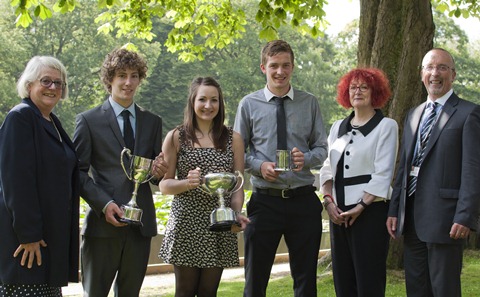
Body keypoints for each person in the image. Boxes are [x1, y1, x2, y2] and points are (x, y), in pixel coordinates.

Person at [234, 39, 327, 297]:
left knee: (306, 281)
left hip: (303, 200)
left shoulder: (309, 103)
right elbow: (238, 153)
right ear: (263, 67)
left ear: (293, 67)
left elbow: (322, 149)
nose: (280, 71)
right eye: (274, 65)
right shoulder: (248, 104)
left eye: (286, 65)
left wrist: (305, 159)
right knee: (255, 281)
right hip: (265, 202)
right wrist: (259, 165)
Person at [73, 48, 167, 297]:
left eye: (134, 75)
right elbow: (78, 174)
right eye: (122, 75)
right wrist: (104, 205)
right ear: (110, 79)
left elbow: (154, 174)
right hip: (102, 228)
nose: (128, 82)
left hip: (140, 226)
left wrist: (159, 171)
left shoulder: (152, 121)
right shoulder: (88, 120)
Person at [386, 48, 480, 297]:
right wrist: (395, 209)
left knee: (444, 290)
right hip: (412, 218)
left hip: (446, 220)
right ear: (421, 74)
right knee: (416, 290)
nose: (435, 73)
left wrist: (465, 216)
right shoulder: (414, 114)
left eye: (442, 68)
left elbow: (473, 169)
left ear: (453, 75)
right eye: (429, 67)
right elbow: (404, 166)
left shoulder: (469, 113)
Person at [159, 76, 249, 297]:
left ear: (220, 103)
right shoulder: (176, 137)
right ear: (192, 102)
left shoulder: (233, 139)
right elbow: (164, 185)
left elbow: (237, 185)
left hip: (219, 225)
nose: (208, 106)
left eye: (214, 100)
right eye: (202, 100)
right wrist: (186, 183)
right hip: (186, 224)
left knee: (209, 292)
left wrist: (236, 215)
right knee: (185, 291)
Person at [0, 56, 79, 296]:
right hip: (27, 243)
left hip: (49, 238)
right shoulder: (20, 118)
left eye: (59, 83)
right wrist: (29, 235)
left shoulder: (52, 121)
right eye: (46, 81)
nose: (53, 88)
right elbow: (16, 182)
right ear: (29, 84)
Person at [319, 68, 398, 296]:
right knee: (343, 281)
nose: (358, 91)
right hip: (338, 214)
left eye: (364, 87)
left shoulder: (386, 126)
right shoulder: (337, 128)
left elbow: (383, 173)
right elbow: (327, 169)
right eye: (353, 87)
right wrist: (328, 201)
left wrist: (360, 207)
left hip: (370, 213)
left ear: (375, 92)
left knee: (369, 280)